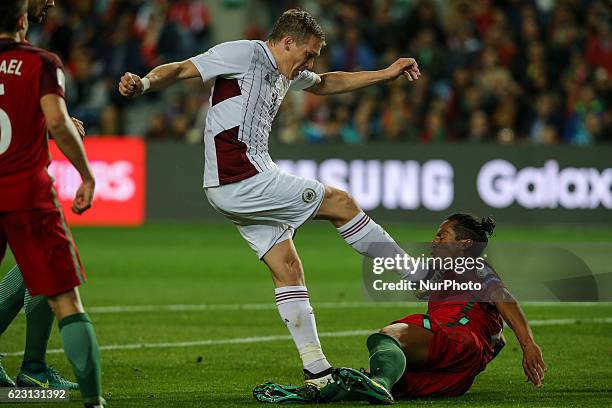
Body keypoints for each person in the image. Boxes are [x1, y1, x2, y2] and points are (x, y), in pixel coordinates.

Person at [119, 8, 420, 390]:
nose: (310, 62)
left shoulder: (285, 71)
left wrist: (384, 73)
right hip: (243, 178)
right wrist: (144, 84)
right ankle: (417, 277)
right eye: (307, 53)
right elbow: (180, 70)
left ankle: (317, 370)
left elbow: (326, 83)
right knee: (341, 203)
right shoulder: (244, 53)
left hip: (236, 184)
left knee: (287, 267)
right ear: (287, 41)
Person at [253, 214, 547, 404]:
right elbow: (498, 340)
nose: (434, 240)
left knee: (388, 337)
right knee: (370, 379)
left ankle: (378, 383)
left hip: (455, 341)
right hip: (458, 376)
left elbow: (502, 295)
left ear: (465, 244)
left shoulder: (472, 265)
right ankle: (315, 394)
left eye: (442, 235)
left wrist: (529, 343)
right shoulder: (449, 273)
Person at [0, 1, 104, 407]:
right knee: (65, 297)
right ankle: (88, 399)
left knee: (28, 274)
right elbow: (57, 122)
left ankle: (34, 365)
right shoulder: (40, 61)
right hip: (26, 191)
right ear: (22, 17)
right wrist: (87, 174)